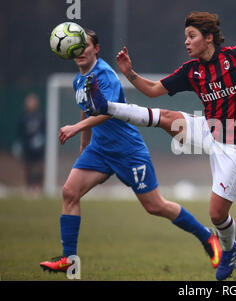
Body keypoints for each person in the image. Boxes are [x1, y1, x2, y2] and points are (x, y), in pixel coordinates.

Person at [84, 11, 236, 280]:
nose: (187, 42)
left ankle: (230, 249)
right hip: (208, 129)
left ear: (208, 38)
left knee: (216, 214)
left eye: (191, 36)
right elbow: (154, 89)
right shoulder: (191, 71)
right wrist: (130, 73)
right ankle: (105, 106)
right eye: (185, 37)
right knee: (165, 117)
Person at [39, 28, 222, 274]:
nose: (80, 51)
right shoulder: (78, 81)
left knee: (155, 206)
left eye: (86, 46)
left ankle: (206, 236)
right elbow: (87, 109)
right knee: (69, 193)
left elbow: (105, 111)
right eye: (76, 47)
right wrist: (84, 146)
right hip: (99, 151)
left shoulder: (105, 75)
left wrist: (76, 127)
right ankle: (69, 259)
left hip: (127, 151)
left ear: (96, 49)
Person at [19, 93, 46, 196]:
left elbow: (44, 130)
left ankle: (39, 187)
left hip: (39, 148)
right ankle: (28, 188)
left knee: (40, 166)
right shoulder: (24, 117)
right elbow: (21, 132)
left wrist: (41, 140)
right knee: (28, 167)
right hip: (27, 147)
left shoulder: (40, 116)